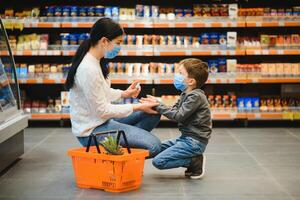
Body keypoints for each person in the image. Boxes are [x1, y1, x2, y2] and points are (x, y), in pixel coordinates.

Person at [65, 18, 161, 157]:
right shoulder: (88, 69)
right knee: (153, 146)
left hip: (103, 122)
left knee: (154, 111)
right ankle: (123, 148)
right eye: (118, 43)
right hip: (92, 131)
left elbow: (101, 92)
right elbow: (102, 110)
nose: (119, 47)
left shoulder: (97, 61)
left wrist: (125, 94)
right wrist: (137, 107)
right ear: (104, 41)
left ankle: (125, 142)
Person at [141, 58, 212, 179]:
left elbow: (178, 116)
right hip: (185, 138)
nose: (176, 76)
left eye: (180, 73)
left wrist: (158, 105)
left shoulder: (195, 96)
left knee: (159, 162)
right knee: (154, 148)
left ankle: (194, 161)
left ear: (190, 81)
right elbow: (174, 110)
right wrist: (157, 102)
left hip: (195, 142)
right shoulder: (186, 93)